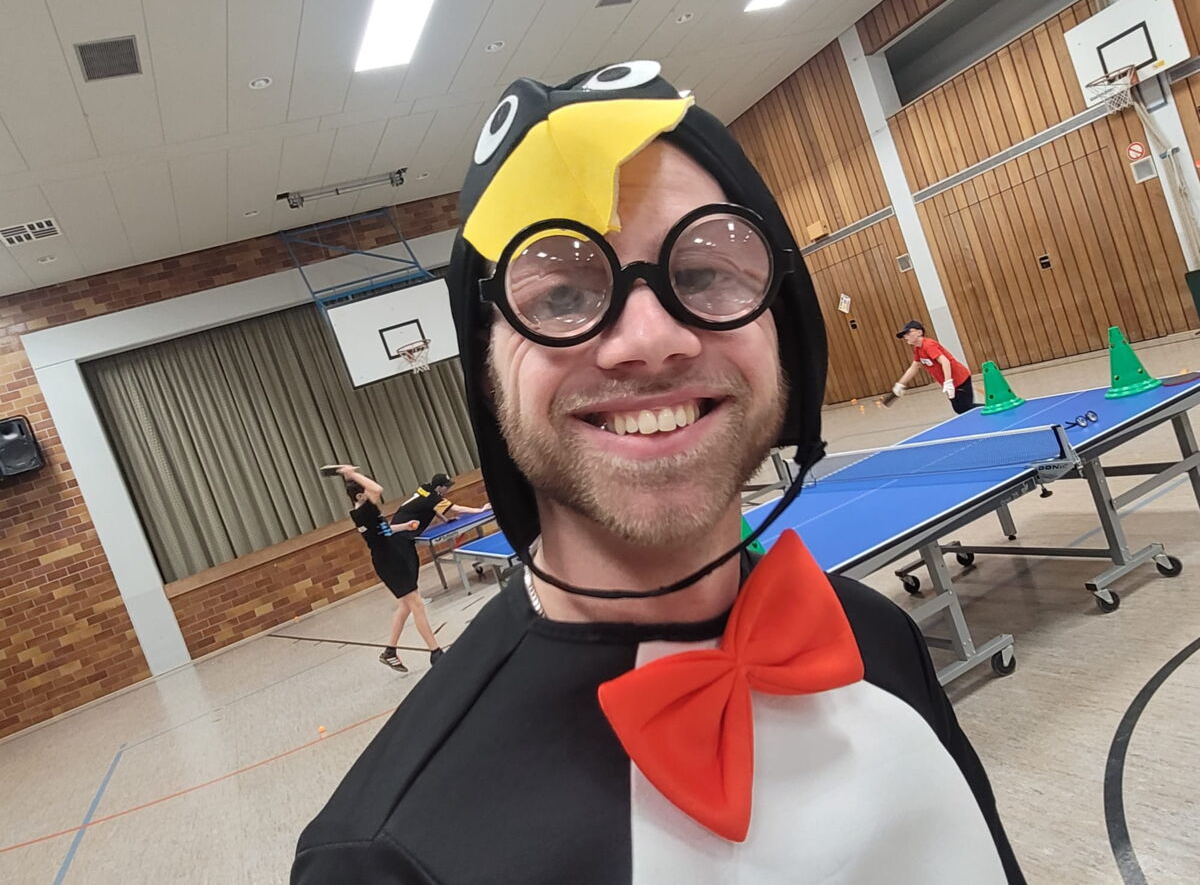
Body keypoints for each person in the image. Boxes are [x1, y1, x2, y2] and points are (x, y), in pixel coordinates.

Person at [295, 63, 1023, 883]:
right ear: (488, 374)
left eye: (704, 273)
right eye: (561, 296)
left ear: (785, 326)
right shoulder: (384, 856)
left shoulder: (873, 634)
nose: (650, 338)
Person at [338, 466, 444, 671]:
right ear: (360, 495)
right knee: (416, 604)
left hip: (391, 557)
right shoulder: (363, 510)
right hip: (388, 562)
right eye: (365, 489)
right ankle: (435, 652)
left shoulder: (364, 512)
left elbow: (383, 529)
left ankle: (390, 652)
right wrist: (352, 475)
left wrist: (404, 526)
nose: (372, 491)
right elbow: (377, 489)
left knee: (406, 605)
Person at [892, 320, 976, 414]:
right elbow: (914, 367)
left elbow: (945, 362)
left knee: (966, 409)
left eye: (908, 333)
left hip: (960, 379)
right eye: (904, 335)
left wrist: (948, 382)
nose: (905, 336)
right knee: (959, 409)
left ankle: (989, 408)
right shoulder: (918, 349)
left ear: (919, 332)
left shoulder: (928, 345)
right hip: (950, 383)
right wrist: (900, 384)